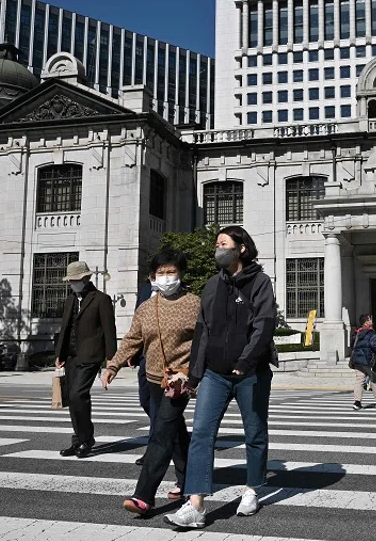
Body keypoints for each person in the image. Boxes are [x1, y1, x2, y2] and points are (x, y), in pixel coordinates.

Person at [166, 226, 278, 530]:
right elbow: (203, 332)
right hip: (216, 374)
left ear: (241, 248)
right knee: (201, 434)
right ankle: (196, 505)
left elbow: (264, 325)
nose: (218, 247)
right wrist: (194, 374)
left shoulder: (259, 282)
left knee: (254, 433)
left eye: (223, 243)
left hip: (250, 374)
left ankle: (252, 489)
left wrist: (246, 360)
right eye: (217, 243)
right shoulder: (213, 285)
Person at [101, 249, 201, 515]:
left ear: (181, 274)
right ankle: (187, 480)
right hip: (153, 378)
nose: (166, 277)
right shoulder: (147, 307)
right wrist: (113, 365)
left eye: (171, 272)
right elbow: (133, 339)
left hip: (179, 381)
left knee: (160, 433)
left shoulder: (194, 303)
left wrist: (194, 373)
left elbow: (205, 342)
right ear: (153, 277)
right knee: (174, 432)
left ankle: (143, 496)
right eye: (161, 273)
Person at [54, 260, 117, 458]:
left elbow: (109, 330)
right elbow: (65, 327)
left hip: (91, 355)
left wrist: (111, 360)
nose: (72, 283)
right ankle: (79, 439)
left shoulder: (101, 299)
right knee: (72, 399)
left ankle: (87, 439)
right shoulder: (71, 299)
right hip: (71, 356)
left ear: (85, 278)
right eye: (70, 280)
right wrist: (59, 354)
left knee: (78, 395)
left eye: (75, 280)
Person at [133, 279, 157, 466]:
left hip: (169, 360)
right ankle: (170, 433)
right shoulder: (145, 290)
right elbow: (137, 322)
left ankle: (153, 450)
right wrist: (132, 352)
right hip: (145, 355)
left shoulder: (182, 292)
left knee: (160, 407)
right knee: (145, 400)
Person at [350, 314, 376, 409]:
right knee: (374, 379)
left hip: (357, 360)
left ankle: (357, 402)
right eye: (370, 319)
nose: (372, 320)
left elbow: (352, 345)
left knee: (359, 380)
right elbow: (373, 344)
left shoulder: (357, 332)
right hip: (367, 359)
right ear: (366, 322)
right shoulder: (370, 333)